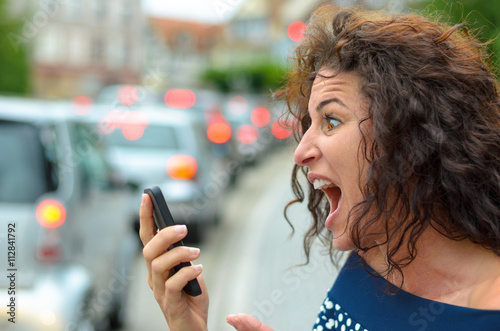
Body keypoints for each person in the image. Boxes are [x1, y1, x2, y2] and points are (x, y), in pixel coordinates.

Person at [139, 4, 500, 330]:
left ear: (409, 135)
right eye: (308, 123)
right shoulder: (373, 257)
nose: (301, 151)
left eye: (330, 121)